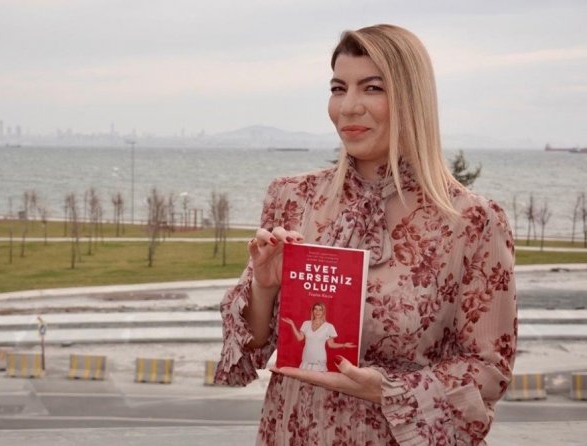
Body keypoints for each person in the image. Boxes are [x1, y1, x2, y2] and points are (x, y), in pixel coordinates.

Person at [215, 24, 516, 445]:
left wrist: (390, 390)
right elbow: (252, 347)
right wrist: (264, 287)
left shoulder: (472, 221)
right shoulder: (293, 198)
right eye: (338, 89)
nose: (348, 107)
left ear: (412, 99)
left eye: (372, 88)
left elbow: (489, 369)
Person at [281, 302, 356, 371]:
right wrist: (292, 324)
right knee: (304, 378)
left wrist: (344, 345)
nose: (317, 312)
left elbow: (331, 344)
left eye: (320, 310)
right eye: (316, 309)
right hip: (306, 357)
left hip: (319, 360)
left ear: (323, 312)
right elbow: (300, 338)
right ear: (312, 311)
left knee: (316, 379)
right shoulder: (306, 323)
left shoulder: (329, 326)